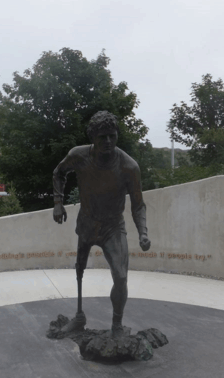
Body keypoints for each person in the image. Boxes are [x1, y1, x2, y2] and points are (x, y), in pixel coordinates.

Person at [52, 111, 151, 338]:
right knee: (80, 268)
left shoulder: (129, 166)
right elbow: (58, 173)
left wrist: (143, 232)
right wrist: (58, 203)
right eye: (102, 136)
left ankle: (117, 324)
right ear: (93, 137)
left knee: (121, 276)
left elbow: (138, 204)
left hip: (113, 226)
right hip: (87, 222)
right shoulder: (79, 155)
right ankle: (79, 316)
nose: (108, 141)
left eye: (112, 136)